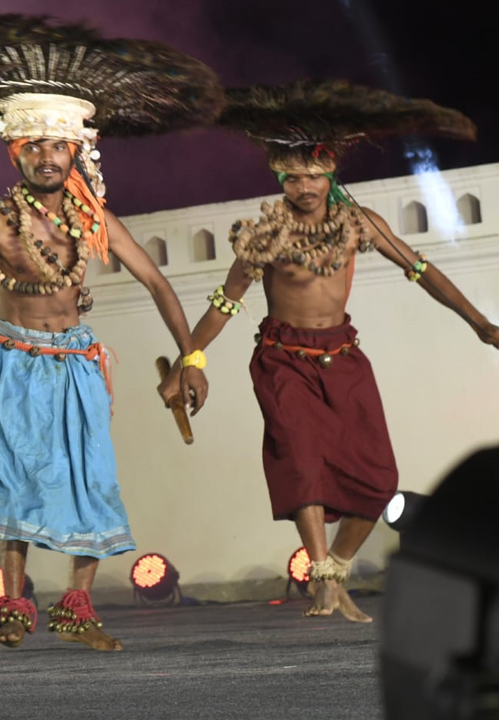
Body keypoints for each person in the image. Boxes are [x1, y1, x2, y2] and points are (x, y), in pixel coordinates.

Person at [0, 15, 222, 651]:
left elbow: (157, 284)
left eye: (56, 146)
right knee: (19, 477)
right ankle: (12, 603)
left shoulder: (95, 219)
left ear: (76, 151)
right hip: (15, 361)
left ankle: (77, 607)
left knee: (90, 478)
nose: (46, 156)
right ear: (16, 151)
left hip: (79, 362)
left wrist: (191, 358)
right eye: (33, 145)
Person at [165, 80, 499, 622]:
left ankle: (337, 570)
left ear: (330, 174)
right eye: (293, 177)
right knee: (302, 462)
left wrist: (482, 323)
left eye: (314, 175)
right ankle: (321, 579)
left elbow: (422, 271)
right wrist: (192, 358)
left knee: (377, 481)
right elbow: (225, 303)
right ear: (280, 178)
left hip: (342, 356)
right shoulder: (266, 234)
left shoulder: (359, 225)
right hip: (281, 359)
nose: (304, 186)